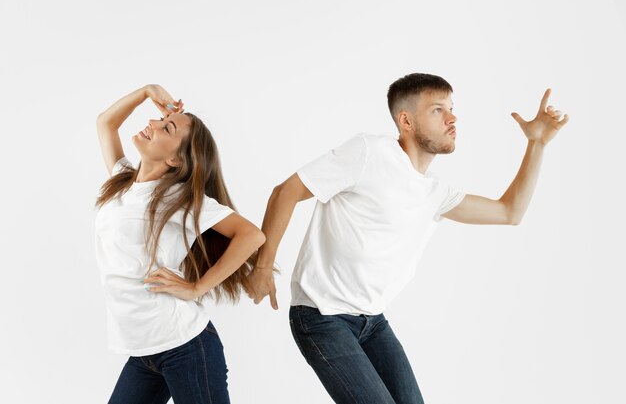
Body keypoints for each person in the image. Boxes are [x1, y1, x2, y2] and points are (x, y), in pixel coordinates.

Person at [248, 73, 569, 404]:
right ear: (406, 121)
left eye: (452, 108)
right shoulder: (369, 152)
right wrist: (262, 266)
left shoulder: (434, 193)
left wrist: (537, 143)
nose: (452, 117)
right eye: (437, 110)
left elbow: (509, 212)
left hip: (372, 322)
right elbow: (285, 192)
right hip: (321, 316)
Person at [95, 84, 265, 404]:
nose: (154, 124)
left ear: (175, 159)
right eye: (160, 120)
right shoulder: (122, 182)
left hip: (184, 347)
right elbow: (105, 122)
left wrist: (196, 288)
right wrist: (147, 92)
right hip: (143, 354)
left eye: (167, 127)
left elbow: (252, 235)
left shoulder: (177, 200)